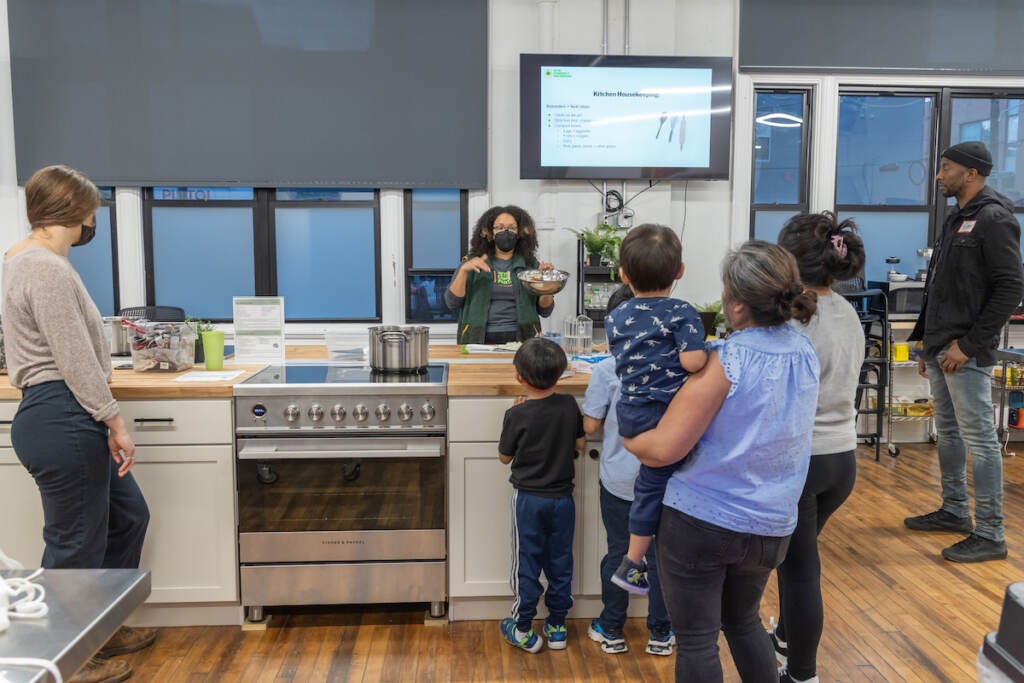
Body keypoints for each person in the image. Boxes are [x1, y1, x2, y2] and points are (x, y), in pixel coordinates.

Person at [623, 240, 820, 683]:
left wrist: (630, 439)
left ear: (734, 305)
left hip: (702, 522)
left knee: (696, 640)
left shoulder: (727, 361)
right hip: (771, 524)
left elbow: (664, 448)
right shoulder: (805, 351)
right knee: (744, 622)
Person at [2, 165, 155, 683]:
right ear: (75, 211)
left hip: (60, 414)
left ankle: (99, 624)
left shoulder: (29, 261)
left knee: (128, 516)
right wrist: (115, 420)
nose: (94, 222)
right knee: (74, 546)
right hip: (64, 413)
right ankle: (69, 656)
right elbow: (73, 357)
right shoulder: (44, 267)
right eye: (91, 211)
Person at [905, 141, 1024, 563]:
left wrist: (968, 346)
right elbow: (940, 285)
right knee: (951, 433)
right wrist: (925, 342)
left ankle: (991, 534)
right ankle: (955, 510)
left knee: (980, 441)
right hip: (941, 346)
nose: (938, 175)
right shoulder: (958, 216)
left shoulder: (993, 218)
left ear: (971, 172)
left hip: (965, 351)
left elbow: (1011, 287)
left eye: (946, 168)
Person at [769, 212, 867, 683]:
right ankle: (787, 636)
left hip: (802, 463)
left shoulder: (795, 318)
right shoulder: (847, 312)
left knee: (798, 571)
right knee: (800, 558)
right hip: (841, 462)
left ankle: (802, 674)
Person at [604, 224, 707, 595]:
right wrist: (710, 352)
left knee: (650, 482)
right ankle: (637, 563)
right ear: (679, 271)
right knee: (663, 483)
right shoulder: (682, 311)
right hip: (667, 413)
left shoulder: (615, 316)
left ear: (623, 275)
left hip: (631, 413)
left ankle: (635, 559)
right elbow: (693, 362)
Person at [584, 283, 676, 657]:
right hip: (666, 480)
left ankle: (611, 627)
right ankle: (660, 633)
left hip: (621, 481)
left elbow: (590, 427)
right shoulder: (675, 367)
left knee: (620, 551)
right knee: (660, 557)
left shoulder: (608, 369)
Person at [498, 337, 585, 653]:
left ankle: (523, 629)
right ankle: (557, 625)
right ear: (560, 374)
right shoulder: (568, 405)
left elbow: (504, 457)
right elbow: (580, 445)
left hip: (529, 502)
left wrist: (514, 415)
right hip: (563, 500)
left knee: (527, 563)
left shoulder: (517, 414)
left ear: (519, 377)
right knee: (560, 562)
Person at [445, 205, 555, 344]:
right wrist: (463, 271)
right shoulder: (473, 262)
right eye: (500, 227)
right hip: (477, 338)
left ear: (520, 233)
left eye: (512, 228)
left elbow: (545, 311)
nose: (506, 231)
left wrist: (547, 283)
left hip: (523, 337)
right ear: (489, 233)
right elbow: (452, 303)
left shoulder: (531, 265)